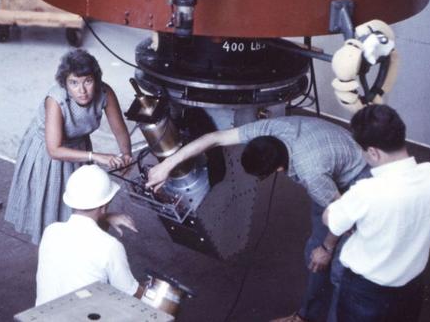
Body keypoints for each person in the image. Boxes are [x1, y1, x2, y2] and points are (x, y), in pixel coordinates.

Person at [147, 116, 370, 322]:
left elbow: (342, 215)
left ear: (280, 169)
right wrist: (167, 165)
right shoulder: (270, 130)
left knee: (342, 269)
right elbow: (214, 139)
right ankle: (306, 317)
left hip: (358, 178)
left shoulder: (311, 173)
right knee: (314, 255)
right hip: (333, 157)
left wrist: (327, 248)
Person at [323, 105, 430, 321]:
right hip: (411, 289)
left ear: (372, 152)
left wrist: (339, 204)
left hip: (366, 294)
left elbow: (331, 221)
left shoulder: (366, 191)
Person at [5, 49, 133, 244]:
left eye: (87, 81)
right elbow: (54, 150)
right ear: (65, 83)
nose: (82, 90)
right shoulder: (55, 99)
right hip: (48, 153)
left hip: (80, 146)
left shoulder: (105, 92)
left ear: (96, 80)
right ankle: (53, 250)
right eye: (74, 83)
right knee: (50, 209)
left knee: (81, 205)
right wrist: (97, 156)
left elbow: (120, 130)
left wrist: (126, 155)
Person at [35, 164, 142, 306]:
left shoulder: (51, 232)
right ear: (104, 206)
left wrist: (105, 217)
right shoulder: (110, 246)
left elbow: (86, 243)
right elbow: (132, 293)